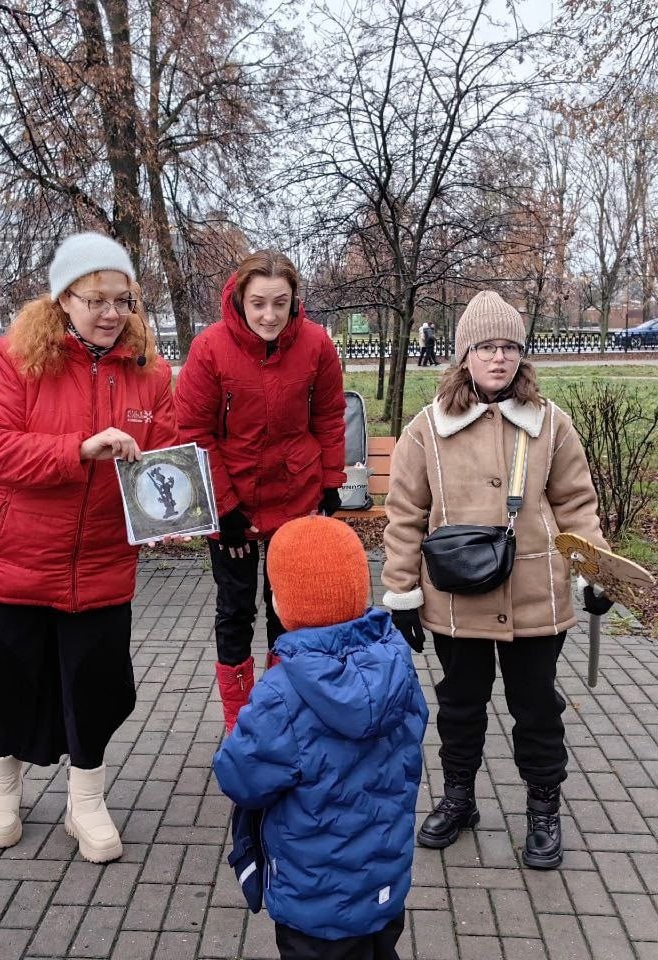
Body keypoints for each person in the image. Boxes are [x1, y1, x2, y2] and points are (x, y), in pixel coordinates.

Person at [0, 235, 177, 862]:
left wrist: (177, 504)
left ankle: (87, 801)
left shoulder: (151, 374)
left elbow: (165, 458)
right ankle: (3, 787)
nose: (112, 313)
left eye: (123, 300)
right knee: (5, 680)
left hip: (102, 562)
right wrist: (77, 450)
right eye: (96, 299)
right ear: (63, 299)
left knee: (95, 686)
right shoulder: (15, 360)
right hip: (15, 559)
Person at [381, 290, 613, 870]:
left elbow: (577, 506)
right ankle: (459, 799)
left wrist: (595, 573)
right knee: (460, 705)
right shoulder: (427, 429)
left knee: (536, 707)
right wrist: (401, 591)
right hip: (456, 599)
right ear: (464, 355)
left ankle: (543, 810)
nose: (499, 358)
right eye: (487, 346)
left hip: (538, 597)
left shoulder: (550, 424)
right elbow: (405, 513)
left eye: (510, 346)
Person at [214, 516, 427, 960]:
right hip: (384, 882)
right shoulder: (396, 664)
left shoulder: (281, 692)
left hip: (314, 900)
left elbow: (241, 778)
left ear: (279, 601)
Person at [175, 250, 347, 732]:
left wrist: (331, 480)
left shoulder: (315, 345)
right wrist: (223, 507)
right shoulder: (210, 349)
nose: (269, 315)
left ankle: (280, 709)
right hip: (233, 506)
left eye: (280, 303)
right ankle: (238, 720)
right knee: (235, 610)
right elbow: (193, 433)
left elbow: (330, 416)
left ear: (294, 302)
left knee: (287, 609)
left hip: (295, 499)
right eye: (258, 304)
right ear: (239, 301)